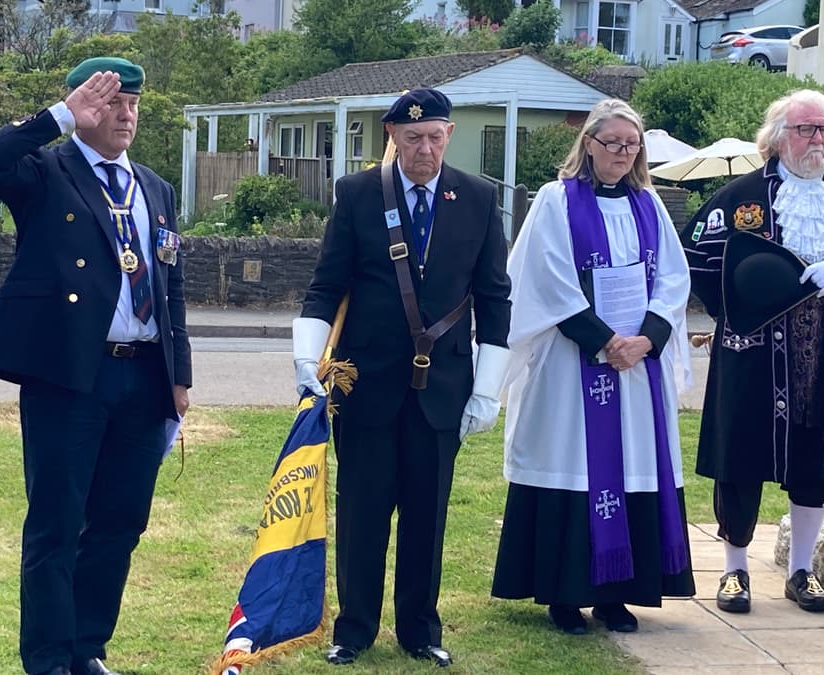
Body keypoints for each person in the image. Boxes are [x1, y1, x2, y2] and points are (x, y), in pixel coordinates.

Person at [0, 57, 192, 675]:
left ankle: (87, 648)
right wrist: (62, 118)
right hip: (69, 376)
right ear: (81, 107)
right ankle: (46, 659)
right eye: (109, 102)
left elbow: (170, 285)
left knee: (120, 522)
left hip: (143, 376)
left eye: (132, 104)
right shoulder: (45, 172)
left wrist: (180, 376)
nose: (124, 114)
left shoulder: (154, 187)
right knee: (58, 523)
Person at [292, 87, 511, 668]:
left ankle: (420, 629)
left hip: (443, 389)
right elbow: (326, 284)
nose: (426, 149)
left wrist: (488, 386)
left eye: (436, 136)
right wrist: (305, 361)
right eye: (413, 138)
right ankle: (354, 629)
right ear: (392, 137)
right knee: (361, 513)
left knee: (426, 516)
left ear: (449, 135)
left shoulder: (479, 198)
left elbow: (494, 298)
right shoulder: (359, 194)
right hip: (365, 384)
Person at [679, 90, 824, 615]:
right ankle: (734, 572)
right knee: (740, 459)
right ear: (778, 138)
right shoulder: (739, 199)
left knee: (814, 458)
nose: (818, 140)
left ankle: (801, 570)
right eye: (806, 130)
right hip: (752, 354)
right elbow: (695, 261)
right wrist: (736, 310)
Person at [492, 98, 696, 635]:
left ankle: (616, 595)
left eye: (632, 146)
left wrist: (647, 340)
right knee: (576, 465)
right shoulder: (556, 201)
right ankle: (565, 594)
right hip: (573, 362)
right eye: (613, 144)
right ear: (589, 144)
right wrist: (605, 341)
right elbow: (546, 277)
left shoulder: (648, 204)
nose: (623, 154)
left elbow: (674, 280)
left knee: (631, 468)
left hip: (635, 369)